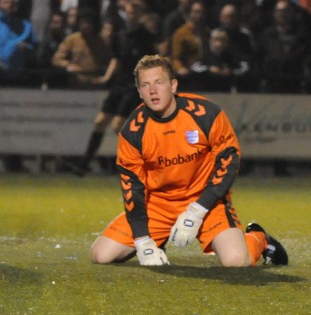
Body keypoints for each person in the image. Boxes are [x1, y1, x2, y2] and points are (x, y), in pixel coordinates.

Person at [89, 54, 288, 267]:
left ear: (173, 85)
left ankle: (259, 237)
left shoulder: (206, 113)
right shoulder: (132, 131)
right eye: (145, 85)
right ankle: (157, 240)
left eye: (159, 82)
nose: (153, 91)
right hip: (157, 205)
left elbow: (228, 162)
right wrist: (142, 241)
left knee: (237, 262)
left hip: (207, 202)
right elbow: (132, 188)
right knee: (101, 255)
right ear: (139, 92)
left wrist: (198, 210)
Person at [70, 0, 157, 176]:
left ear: (139, 15)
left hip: (135, 87)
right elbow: (116, 59)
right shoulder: (121, 35)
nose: (130, 15)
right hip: (119, 84)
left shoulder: (145, 37)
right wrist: (107, 77)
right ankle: (84, 164)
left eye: (134, 12)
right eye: (128, 12)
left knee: (118, 125)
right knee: (100, 121)